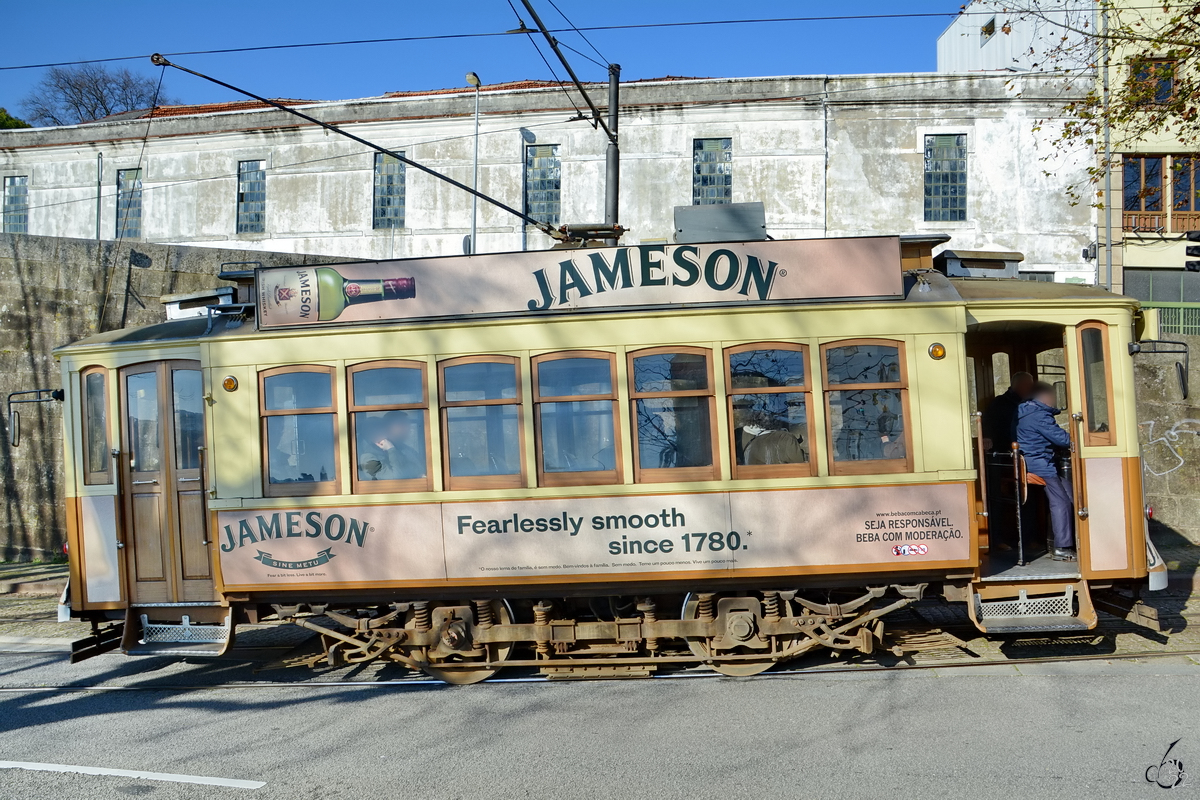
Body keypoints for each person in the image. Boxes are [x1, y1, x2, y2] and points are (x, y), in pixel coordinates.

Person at [1016, 382, 1075, 561]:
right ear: (1045, 398)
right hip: (1040, 465)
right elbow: (1062, 439)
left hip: (1033, 463)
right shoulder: (1039, 415)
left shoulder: (1025, 410)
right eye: (1052, 397)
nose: (1054, 400)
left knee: (1071, 495)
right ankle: (1061, 547)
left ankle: (1065, 540)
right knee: (1062, 503)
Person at [357, 410, 424, 480]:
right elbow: (396, 479)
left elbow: (419, 470)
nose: (382, 432)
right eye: (376, 430)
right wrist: (391, 449)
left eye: (382, 428)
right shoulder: (368, 458)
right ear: (369, 435)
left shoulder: (403, 449)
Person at [982, 371, 1035, 452]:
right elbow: (988, 421)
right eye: (1027, 385)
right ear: (1017, 385)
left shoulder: (1032, 402)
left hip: (1028, 446)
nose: (1030, 388)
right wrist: (987, 436)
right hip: (1005, 449)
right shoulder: (999, 403)